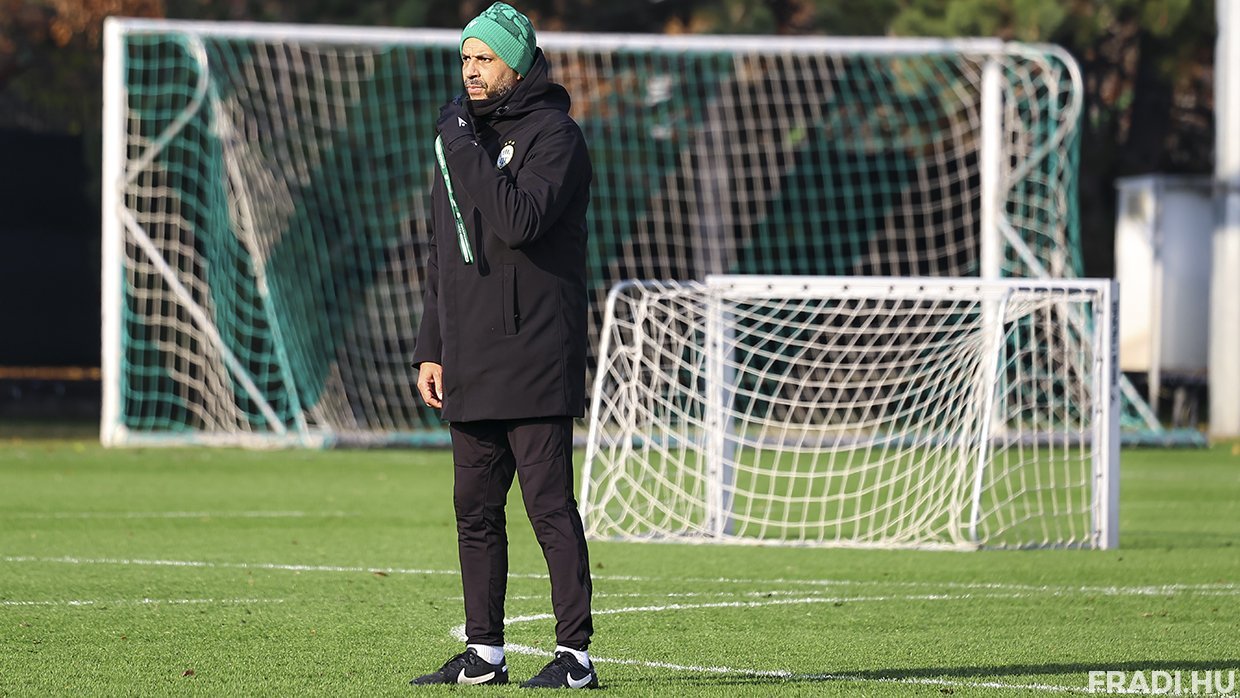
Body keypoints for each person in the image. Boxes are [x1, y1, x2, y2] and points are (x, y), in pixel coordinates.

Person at [408, 2, 597, 690]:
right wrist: (433, 346)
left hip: (536, 353)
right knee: (475, 512)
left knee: (549, 509)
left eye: (484, 58)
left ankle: (575, 659)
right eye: (465, 58)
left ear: (516, 63)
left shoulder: (556, 136)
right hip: (471, 356)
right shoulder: (462, 136)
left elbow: (518, 221)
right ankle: (484, 653)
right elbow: (444, 251)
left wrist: (463, 145)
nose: (471, 70)